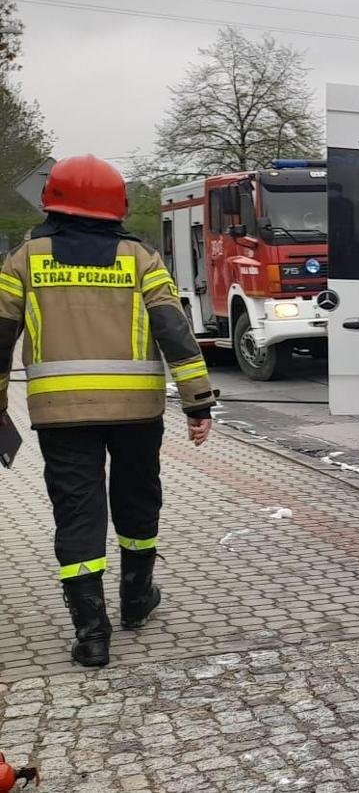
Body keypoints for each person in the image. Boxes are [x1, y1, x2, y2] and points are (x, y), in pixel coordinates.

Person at [0, 154, 217, 667]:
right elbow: (174, 331)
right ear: (116, 206)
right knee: (138, 500)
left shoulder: (23, 259)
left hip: (60, 414)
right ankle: (137, 601)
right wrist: (197, 402)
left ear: (52, 201)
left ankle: (92, 635)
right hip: (137, 412)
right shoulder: (140, 258)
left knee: (78, 512)